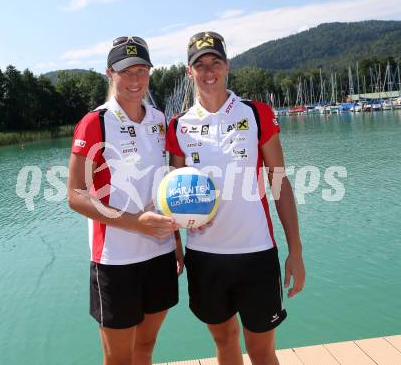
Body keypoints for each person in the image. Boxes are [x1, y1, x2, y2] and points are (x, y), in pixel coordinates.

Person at [166, 32, 305, 365]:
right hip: (205, 258)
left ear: (227, 66)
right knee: (225, 344)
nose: (209, 70)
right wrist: (176, 244)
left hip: (256, 254)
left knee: (261, 351)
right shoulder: (178, 126)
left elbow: (280, 185)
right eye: (200, 65)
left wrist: (296, 251)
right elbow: (172, 193)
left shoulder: (255, 114)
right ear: (189, 72)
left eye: (215, 62)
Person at [67, 36, 183, 365]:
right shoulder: (96, 122)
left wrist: (175, 238)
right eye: (126, 71)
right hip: (114, 261)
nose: (135, 80)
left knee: (145, 348)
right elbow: (75, 195)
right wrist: (136, 224)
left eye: (142, 70)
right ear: (110, 74)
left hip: (159, 253)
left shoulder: (159, 121)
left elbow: (164, 185)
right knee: (118, 359)